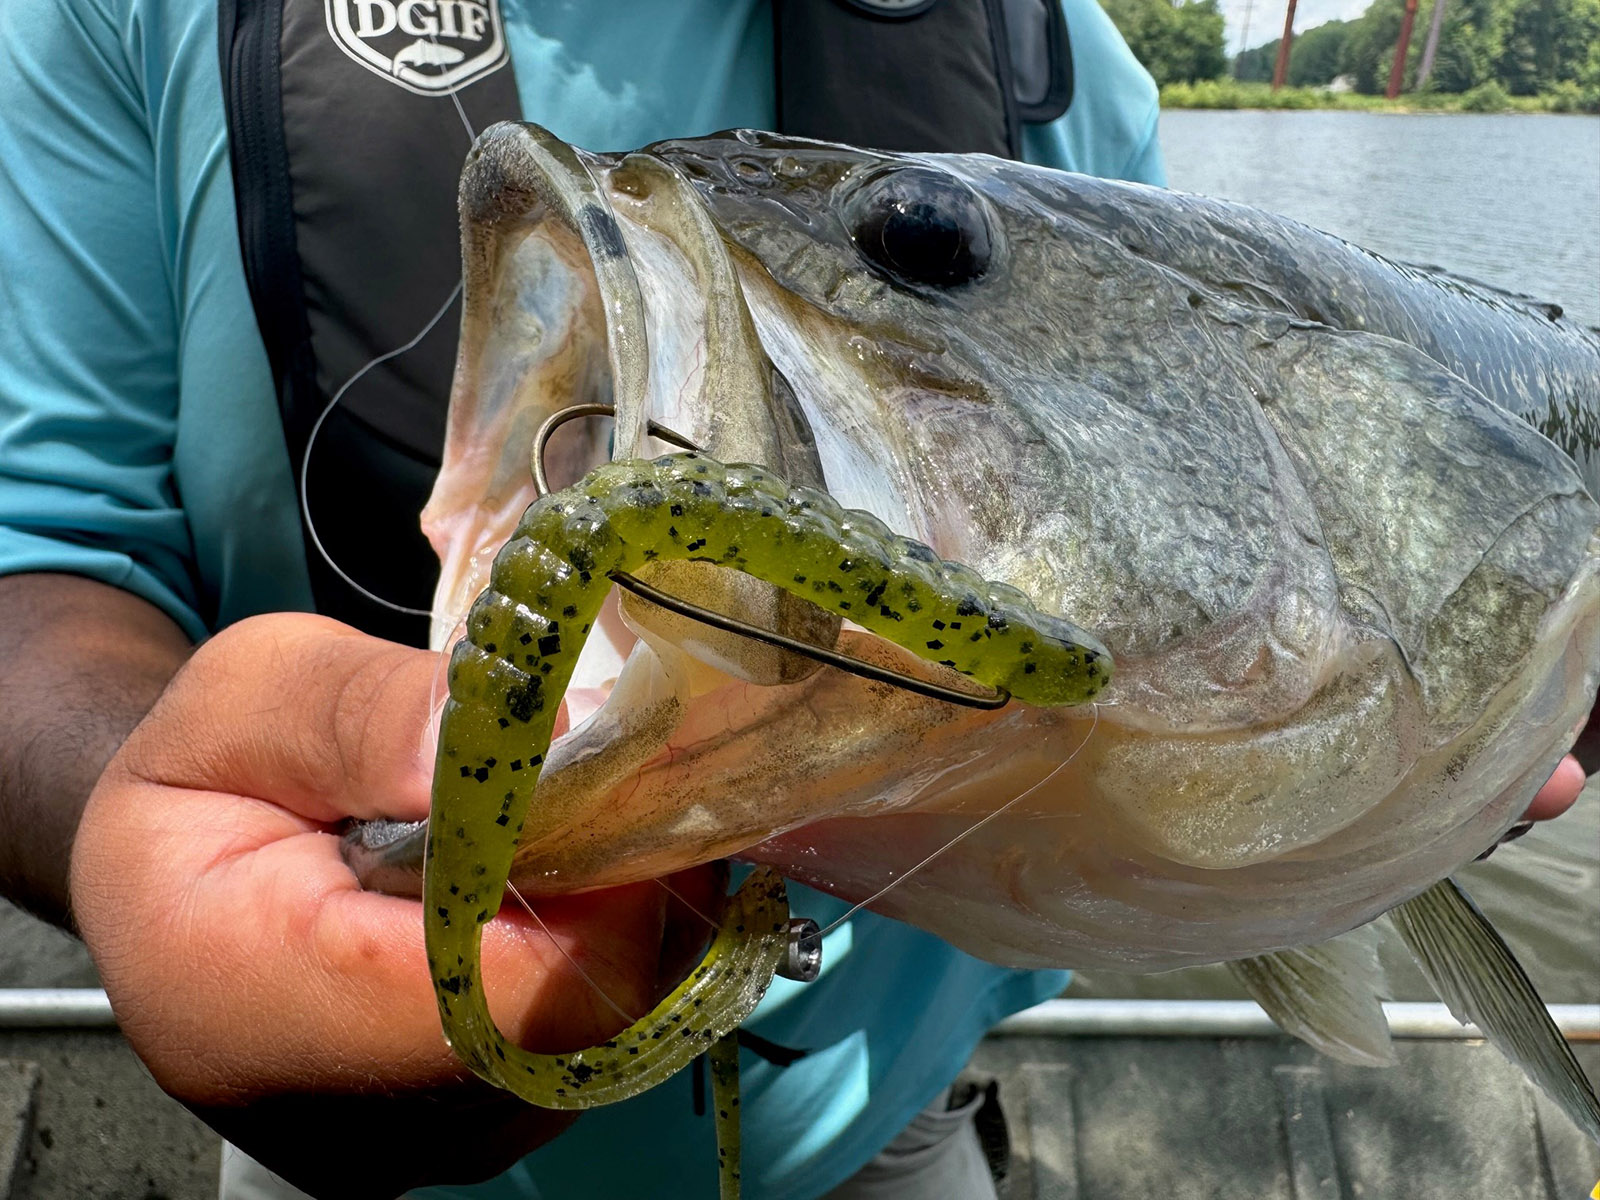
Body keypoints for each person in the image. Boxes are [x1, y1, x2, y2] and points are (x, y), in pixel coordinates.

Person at [0, 2, 1585, 1198]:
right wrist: (130, 829)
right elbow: (35, 555)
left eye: (921, 247)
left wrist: (1446, 737)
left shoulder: (1056, 48)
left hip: (894, 1137)